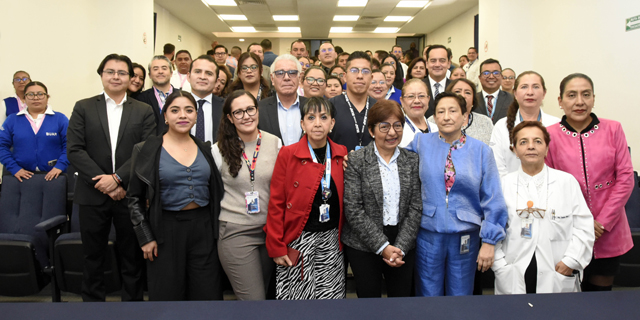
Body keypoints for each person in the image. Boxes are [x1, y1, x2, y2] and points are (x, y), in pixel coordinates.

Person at [67, 53, 156, 302]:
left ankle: (132, 308)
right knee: (93, 257)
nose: (116, 76)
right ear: (101, 75)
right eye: (110, 71)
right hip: (91, 194)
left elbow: (147, 149)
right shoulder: (83, 106)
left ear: (131, 78)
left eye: (122, 72)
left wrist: (118, 179)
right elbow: (74, 149)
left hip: (130, 196)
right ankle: (93, 307)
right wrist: (105, 183)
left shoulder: (143, 110)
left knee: (132, 257)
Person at [407, 92, 507, 296]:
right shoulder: (420, 143)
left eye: (453, 111)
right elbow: (394, 160)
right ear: (433, 117)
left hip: (465, 234)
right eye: (440, 112)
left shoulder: (481, 151)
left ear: (465, 116)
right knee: (427, 292)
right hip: (428, 232)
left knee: (461, 293)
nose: (446, 117)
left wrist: (489, 240)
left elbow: (493, 198)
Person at [128, 90, 224, 301]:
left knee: (207, 292)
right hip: (164, 228)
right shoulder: (146, 149)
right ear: (165, 116)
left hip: (203, 228)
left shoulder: (205, 148)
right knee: (167, 294)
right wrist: (145, 236)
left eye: (189, 110)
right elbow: (134, 198)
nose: (183, 115)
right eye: (175, 110)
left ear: (196, 116)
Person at [546, 73, 634, 292]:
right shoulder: (549, 135)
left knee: (600, 297)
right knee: (566, 295)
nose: (579, 102)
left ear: (593, 98)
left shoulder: (613, 129)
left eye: (586, 95)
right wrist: (580, 224)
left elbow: (625, 178)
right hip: (567, 231)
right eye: (572, 95)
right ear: (560, 100)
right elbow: (548, 184)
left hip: (607, 230)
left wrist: (602, 222)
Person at [493, 121, 594, 294]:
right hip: (513, 271)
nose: (531, 146)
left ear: (547, 149)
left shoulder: (566, 182)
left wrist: (571, 261)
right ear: (515, 150)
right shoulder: (503, 184)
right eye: (523, 142)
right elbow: (493, 228)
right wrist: (500, 265)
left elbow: (583, 227)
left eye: (538, 141)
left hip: (557, 270)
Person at [265, 97, 348, 300]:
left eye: (323, 117)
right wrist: (276, 246)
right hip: (298, 239)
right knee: (298, 304)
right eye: (311, 118)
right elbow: (276, 203)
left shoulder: (341, 153)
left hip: (331, 240)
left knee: (331, 301)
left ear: (332, 123)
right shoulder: (287, 154)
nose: (317, 123)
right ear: (302, 124)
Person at [342, 99, 422, 298]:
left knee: (401, 301)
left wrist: (400, 247)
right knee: (369, 304)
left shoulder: (412, 160)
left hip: (402, 242)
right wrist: (383, 247)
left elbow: (415, 207)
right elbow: (353, 208)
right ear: (371, 130)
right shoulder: (357, 160)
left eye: (397, 126)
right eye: (384, 126)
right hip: (363, 244)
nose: (392, 133)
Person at [212, 90, 281, 300]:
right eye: (239, 112)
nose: (246, 116)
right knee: (254, 300)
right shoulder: (218, 150)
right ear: (230, 118)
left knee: (264, 294)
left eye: (250, 109)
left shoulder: (275, 143)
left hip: (269, 231)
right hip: (236, 232)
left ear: (257, 111)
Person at [489, 71, 559, 177]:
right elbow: (497, 167)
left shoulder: (557, 124)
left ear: (544, 93)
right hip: (510, 190)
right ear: (515, 93)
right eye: (524, 87)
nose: (530, 92)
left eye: (536, 87)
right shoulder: (501, 126)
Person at [0, 81, 69, 182]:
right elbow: (1, 146)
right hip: (21, 177)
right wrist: (15, 169)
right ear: (25, 98)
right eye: (30, 94)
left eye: (40, 94)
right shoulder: (12, 120)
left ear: (47, 97)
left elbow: (70, 145)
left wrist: (60, 166)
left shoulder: (60, 119)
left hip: (54, 176)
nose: (36, 98)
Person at [329, 51, 377, 151]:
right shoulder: (330, 106)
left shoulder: (380, 108)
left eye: (365, 71)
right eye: (354, 70)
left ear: (371, 78)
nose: (360, 76)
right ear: (345, 76)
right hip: (337, 165)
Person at [258, 54, 307, 146]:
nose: (286, 78)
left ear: (299, 77)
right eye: (280, 73)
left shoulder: (311, 106)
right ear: (272, 79)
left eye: (292, 73)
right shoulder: (260, 109)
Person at [439, 78, 494, 144]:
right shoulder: (435, 120)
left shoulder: (485, 122)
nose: (462, 95)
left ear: (473, 100)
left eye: (467, 93)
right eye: (457, 91)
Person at [188, 55, 224, 144]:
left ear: (217, 81)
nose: (203, 77)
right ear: (188, 77)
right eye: (197, 72)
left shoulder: (226, 107)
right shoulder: (175, 105)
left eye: (209, 73)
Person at [138, 56, 175, 135]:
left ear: (171, 73)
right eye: (155, 69)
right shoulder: (140, 99)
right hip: (151, 144)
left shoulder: (182, 96)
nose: (160, 71)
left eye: (164, 68)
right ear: (149, 75)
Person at [399, 79, 437, 148]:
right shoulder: (397, 132)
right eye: (411, 96)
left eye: (421, 96)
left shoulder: (438, 129)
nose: (417, 101)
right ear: (402, 101)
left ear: (428, 99)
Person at [475, 59, 514, 124]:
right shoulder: (473, 99)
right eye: (486, 73)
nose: (491, 76)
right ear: (480, 78)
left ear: (501, 77)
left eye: (496, 73)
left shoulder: (512, 99)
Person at [422, 45, 452, 119]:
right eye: (433, 61)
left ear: (448, 64)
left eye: (442, 61)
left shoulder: (456, 87)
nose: (437, 65)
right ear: (426, 64)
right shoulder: (417, 86)